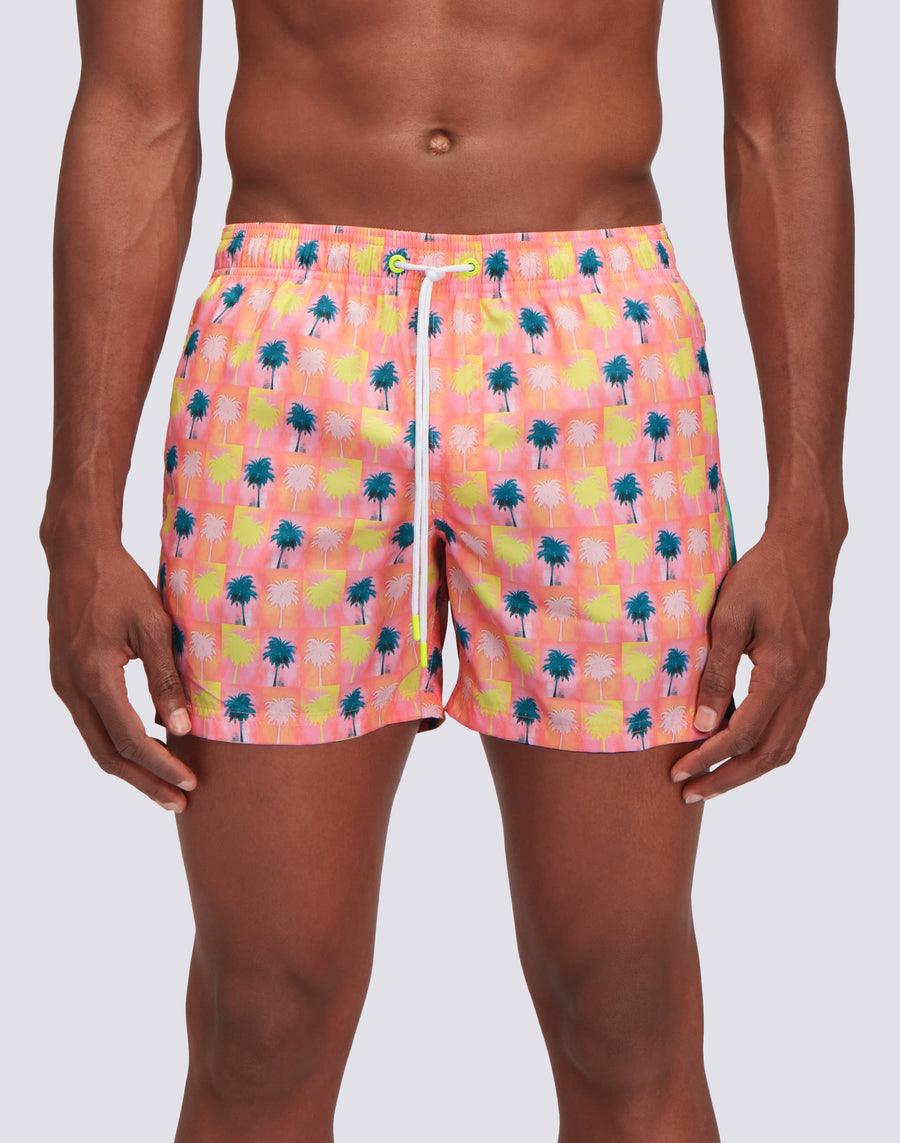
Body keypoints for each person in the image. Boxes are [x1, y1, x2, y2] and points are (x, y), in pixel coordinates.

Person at [39, 0, 853, 1139]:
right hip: (286, 351)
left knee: (621, 1007)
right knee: (261, 1016)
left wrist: (811, 511)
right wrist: (78, 514)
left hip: (595, 347)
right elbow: (135, 111)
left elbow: (784, 105)